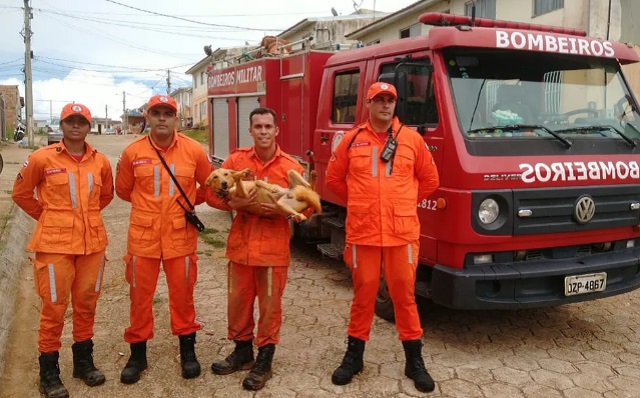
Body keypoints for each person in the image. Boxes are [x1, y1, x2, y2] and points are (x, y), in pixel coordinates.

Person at [325, 82, 440, 393]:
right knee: (363, 297)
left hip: (401, 234)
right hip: (364, 233)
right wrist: (363, 202)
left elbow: (430, 180)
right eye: (379, 100)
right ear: (368, 104)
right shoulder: (351, 141)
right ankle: (354, 357)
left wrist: (399, 202)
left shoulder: (412, 140)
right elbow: (333, 179)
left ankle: (414, 361)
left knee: (404, 297)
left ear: (395, 104)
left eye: (390, 100)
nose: (385, 106)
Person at [12, 103, 114, 398]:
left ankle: (83, 363)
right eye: (71, 120)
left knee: (86, 303)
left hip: (92, 245)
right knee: (54, 308)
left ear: (89, 126)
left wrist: (86, 221)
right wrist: (49, 218)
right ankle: (49, 373)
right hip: (54, 246)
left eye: (82, 121)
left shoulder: (101, 162)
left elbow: (104, 196)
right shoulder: (41, 158)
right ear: (62, 124)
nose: (76, 126)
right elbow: (21, 194)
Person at [205, 107, 307, 391]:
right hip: (241, 245)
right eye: (258, 126)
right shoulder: (236, 160)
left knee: (270, 306)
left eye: (268, 126)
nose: (263, 131)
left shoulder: (291, 167)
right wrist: (231, 204)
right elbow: (210, 194)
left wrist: (282, 211)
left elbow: (307, 205)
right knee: (237, 301)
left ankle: (264, 359)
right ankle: (242, 352)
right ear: (250, 131)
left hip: (273, 248)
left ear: (276, 131)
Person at [115, 94, 212, 383]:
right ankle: (138, 355)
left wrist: (184, 207)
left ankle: (188, 352)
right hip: (143, 238)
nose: (161, 118)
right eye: (155, 112)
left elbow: (207, 186)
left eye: (167, 113)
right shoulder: (132, 152)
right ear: (147, 117)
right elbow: (123, 190)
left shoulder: (194, 150)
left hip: (180, 237)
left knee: (182, 295)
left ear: (176, 119)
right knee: (139, 298)